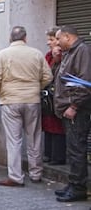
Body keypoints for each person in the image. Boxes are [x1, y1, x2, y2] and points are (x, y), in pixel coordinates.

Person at [0, 26, 53, 187]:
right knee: (34, 138)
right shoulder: (36, 53)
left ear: (10, 39)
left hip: (10, 100)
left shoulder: (3, 54)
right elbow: (48, 76)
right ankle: (36, 174)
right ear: (25, 38)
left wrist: (1, 93)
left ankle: (16, 177)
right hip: (32, 100)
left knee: (14, 140)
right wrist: (36, 88)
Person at [53, 25, 91, 202]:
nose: (57, 42)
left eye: (59, 38)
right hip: (67, 109)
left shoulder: (82, 51)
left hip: (76, 110)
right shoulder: (69, 53)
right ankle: (73, 182)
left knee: (77, 149)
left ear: (68, 37)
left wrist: (74, 106)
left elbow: (84, 82)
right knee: (72, 149)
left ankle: (78, 188)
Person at [42, 27, 66, 165]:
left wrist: (57, 59)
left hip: (58, 96)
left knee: (57, 126)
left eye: (51, 40)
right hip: (48, 97)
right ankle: (48, 153)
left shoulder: (65, 55)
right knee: (48, 125)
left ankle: (58, 156)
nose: (49, 43)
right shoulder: (48, 55)